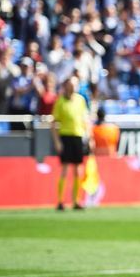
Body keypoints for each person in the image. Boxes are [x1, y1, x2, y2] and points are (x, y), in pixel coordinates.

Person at [51, 76, 91, 211]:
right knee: (64, 168)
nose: (73, 87)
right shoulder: (60, 101)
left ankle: (76, 201)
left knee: (78, 170)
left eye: (75, 84)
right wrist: (57, 141)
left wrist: (89, 137)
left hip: (78, 136)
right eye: (70, 84)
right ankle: (60, 201)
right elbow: (54, 122)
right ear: (66, 86)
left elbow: (86, 119)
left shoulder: (80, 100)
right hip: (65, 136)